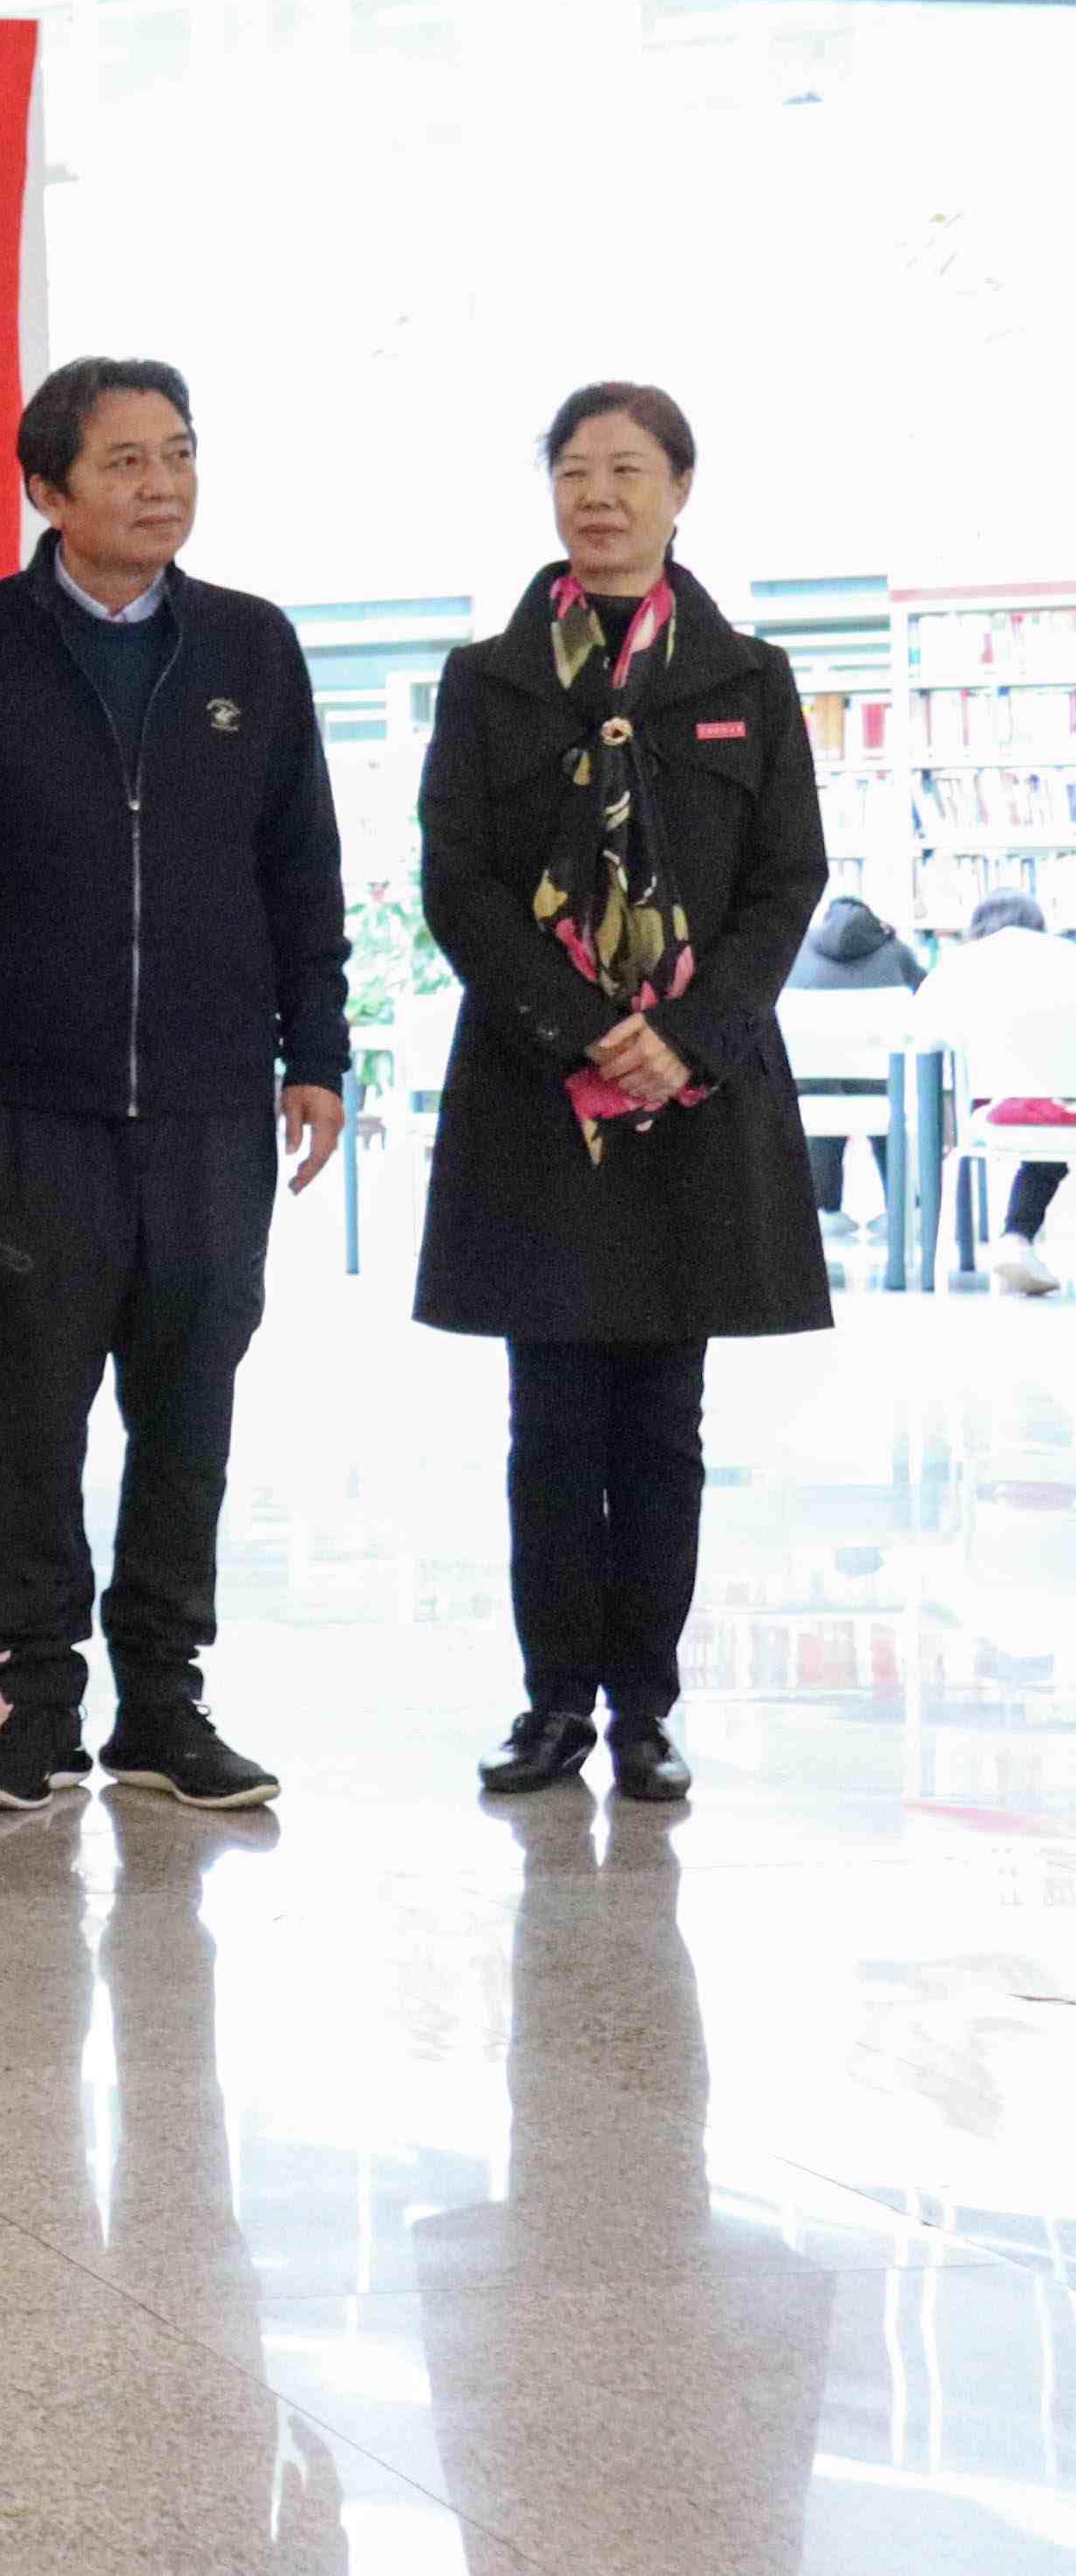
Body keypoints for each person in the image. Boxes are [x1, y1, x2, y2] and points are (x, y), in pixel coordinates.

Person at [0, 357, 348, 1817]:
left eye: (181, 456)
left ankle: (166, 1700)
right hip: (34, 1104)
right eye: (128, 462)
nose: (162, 487)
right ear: (47, 488)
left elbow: (305, 867)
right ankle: (37, 1704)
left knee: (189, 1406)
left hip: (217, 1101)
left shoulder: (251, 648)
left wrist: (320, 1054)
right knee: (35, 1413)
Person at [416, 383, 827, 1804]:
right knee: (550, 1421)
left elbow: (788, 885)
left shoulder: (747, 680)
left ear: (680, 490)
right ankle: (551, 1711)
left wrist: (692, 1036)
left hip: (697, 1100)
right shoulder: (490, 680)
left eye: (629, 472)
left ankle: (645, 1711)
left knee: (664, 1419)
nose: (600, 496)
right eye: (577, 472)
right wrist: (586, 1028)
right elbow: (457, 885)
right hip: (543, 1093)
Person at [921, 893, 1076, 1296]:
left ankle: (1009, 1241)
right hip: (1063, 1111)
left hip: (986, 1115)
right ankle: (1017, 1237)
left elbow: (921, 1037)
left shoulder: (957, 968)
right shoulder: (1067, 958)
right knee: (1052, 1116)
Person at [786, 893, 926, 1230]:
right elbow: (928, 1005)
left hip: (812, 1097)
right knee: (887, 1089)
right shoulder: (897, 953)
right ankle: (901, 1209)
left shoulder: (796, 954)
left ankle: (825, 1210)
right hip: (885, 1093)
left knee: (823, 1084)